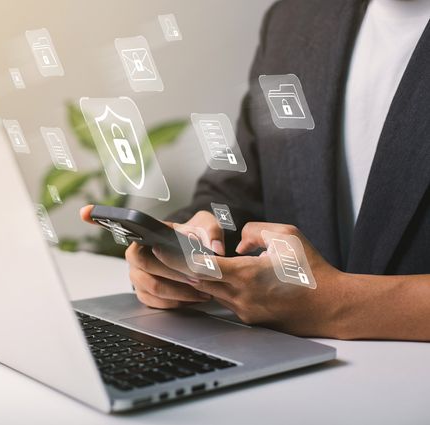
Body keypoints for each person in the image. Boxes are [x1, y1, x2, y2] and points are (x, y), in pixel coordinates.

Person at [81, 0, 430, 341]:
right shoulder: (292, 20)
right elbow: (238, 190)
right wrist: (183, 246)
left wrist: (337, 304)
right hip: (297, 374)